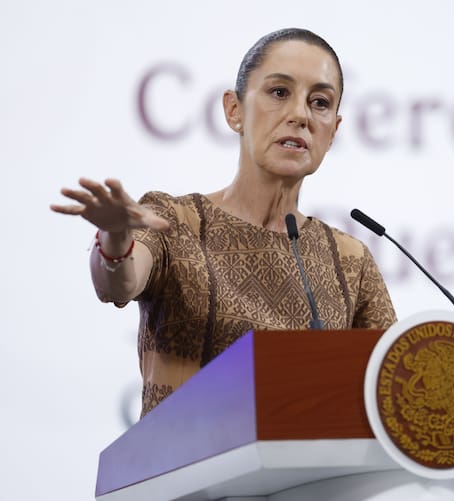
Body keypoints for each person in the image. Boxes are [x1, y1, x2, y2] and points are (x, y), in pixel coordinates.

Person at [51, 28, 397, 417]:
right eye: (279, 93)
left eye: (319, 102)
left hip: (309, 477)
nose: (300, 115)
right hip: (184, 472)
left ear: (333, 130)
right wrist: (116, 237)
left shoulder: (350, 261)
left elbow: (395, 390)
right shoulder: (173, 220)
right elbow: (117, 283)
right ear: (235, 111)